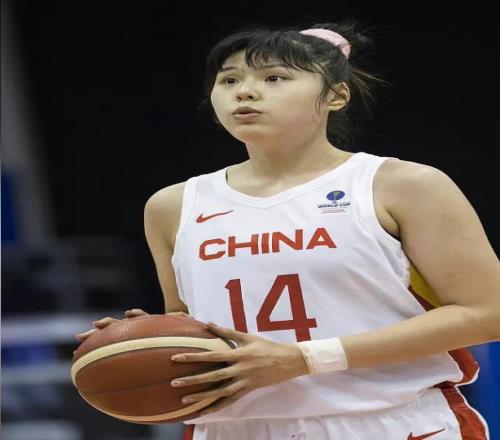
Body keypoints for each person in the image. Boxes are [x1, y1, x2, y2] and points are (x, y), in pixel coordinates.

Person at [76, 20, 500, 440]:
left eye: (274, 77)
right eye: (229, 80)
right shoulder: (172, 205)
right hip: (233, 430)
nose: (245, 91)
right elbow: (192, 322)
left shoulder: (402, 185)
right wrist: (149, 339)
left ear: (336, 96)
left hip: (385, 420)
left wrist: (305, 358)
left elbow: (488, 314)